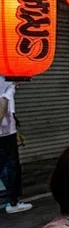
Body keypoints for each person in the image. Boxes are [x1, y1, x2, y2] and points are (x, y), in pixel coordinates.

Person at [0, 77, 30, 214]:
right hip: (4, 134)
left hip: (8, 131)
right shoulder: (5, 81)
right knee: (11, 166)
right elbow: (3, 103)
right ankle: (13, 203)